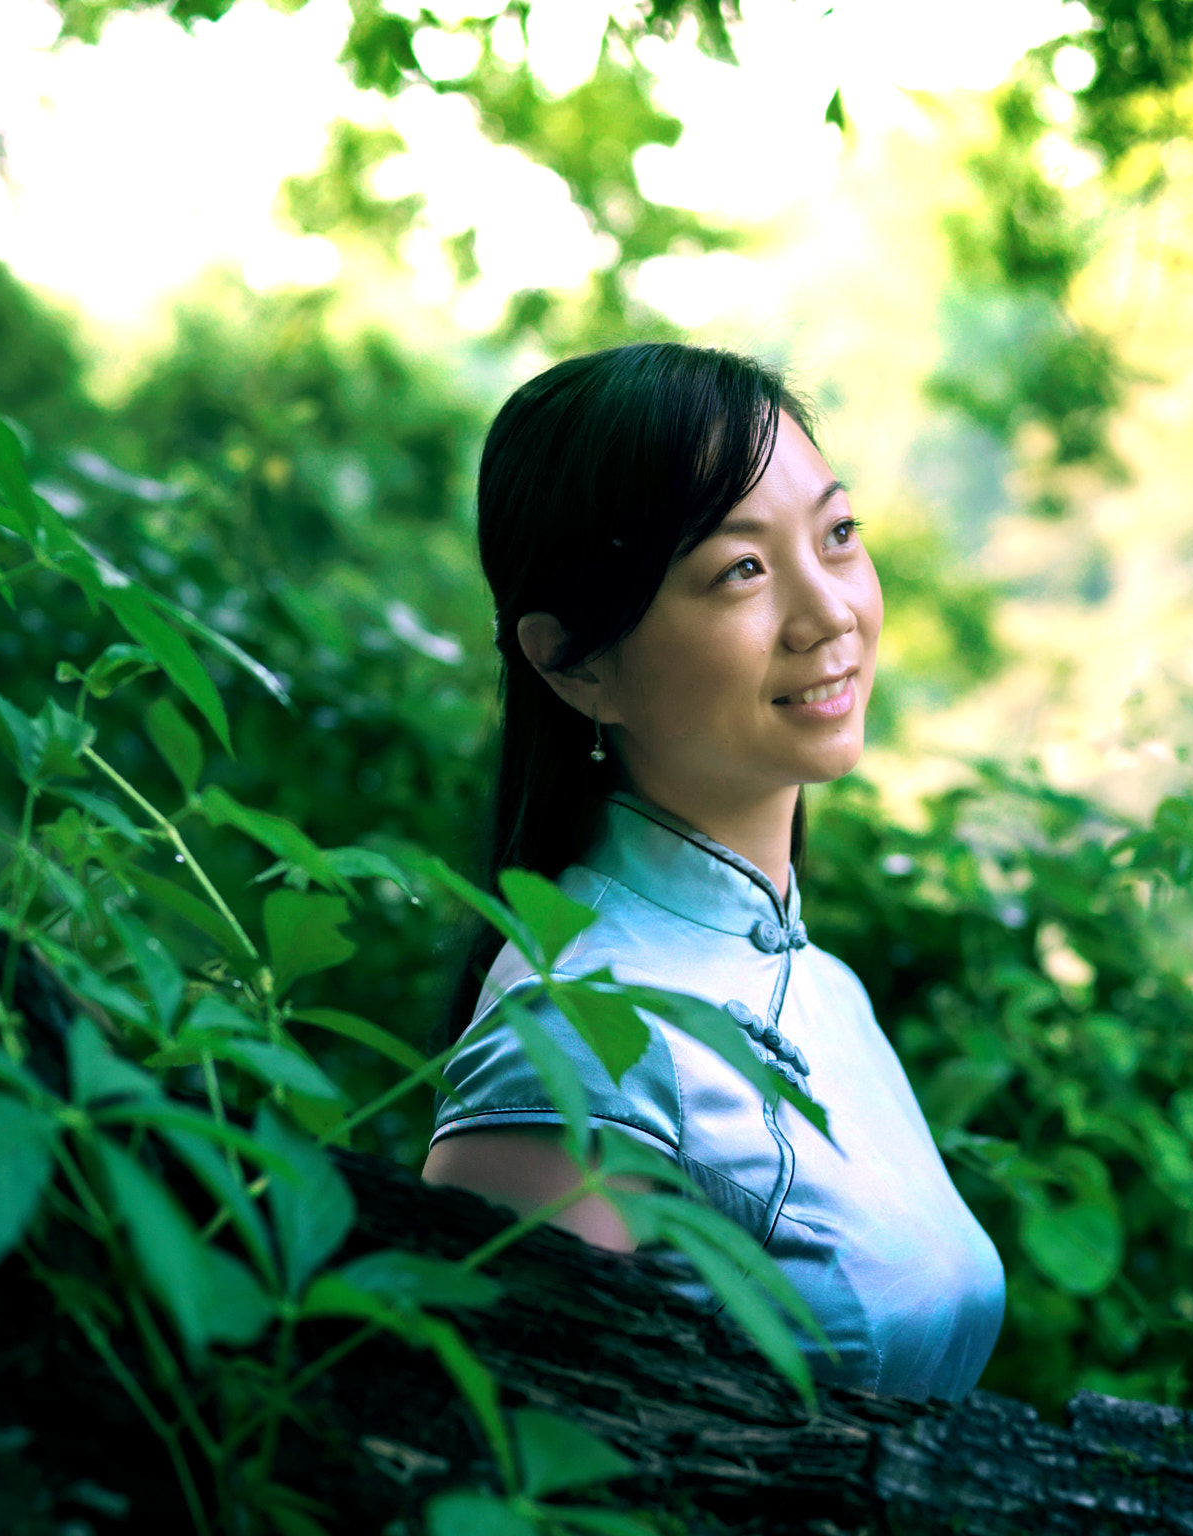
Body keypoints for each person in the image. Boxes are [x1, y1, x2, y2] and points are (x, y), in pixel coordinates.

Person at [421, 342, 1004, 1401]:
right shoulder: (572, 1038)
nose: (829, 613)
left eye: (836, 536)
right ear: (572, 663)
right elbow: (504, 1473)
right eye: (740, 569)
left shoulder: (823, 989)